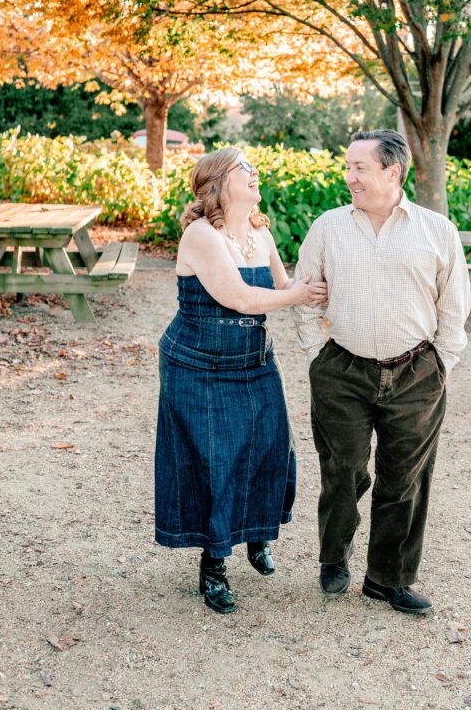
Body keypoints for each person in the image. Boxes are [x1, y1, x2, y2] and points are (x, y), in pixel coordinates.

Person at [292, 129, 471, 615]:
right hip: (342, 369)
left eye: (359, 168)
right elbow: (304, 291)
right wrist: (317, 353)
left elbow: (454, 307)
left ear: (393, 172)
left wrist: (441, 365)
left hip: (416, 372)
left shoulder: (437, 231)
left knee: (405, 479)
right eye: (348, 167)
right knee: (343, 470)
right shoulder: (328, 227)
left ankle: (387, 579)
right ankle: (334, 557)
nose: (349, 176)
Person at [155, 147, 327, 615]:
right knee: (215, 463)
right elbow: (243, 299)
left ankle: (255, 535)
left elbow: (283, 285)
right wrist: (296, 295)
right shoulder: (201, 235)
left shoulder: (258, 231)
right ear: (217, 182)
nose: (255, 174)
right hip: (198, 363)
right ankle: (214, 565)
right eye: (243, 168)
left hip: (253, 359)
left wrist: (315, 291)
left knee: (270, 449)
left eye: (254, 167)